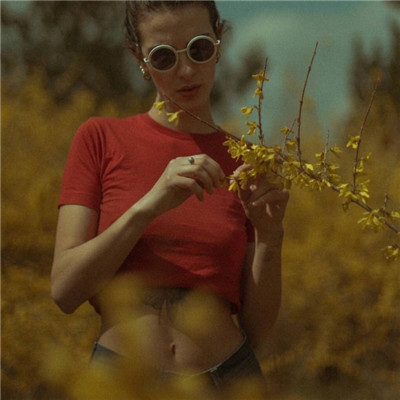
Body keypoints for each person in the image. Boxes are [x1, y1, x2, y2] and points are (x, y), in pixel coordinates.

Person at [51, 0, 289, 392]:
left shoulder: (246, 163)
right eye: (164, 57)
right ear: (139, 59)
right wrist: (149, 205)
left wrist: (270, 237)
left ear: (219, 41)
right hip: (121, 382)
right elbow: (64, 290)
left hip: (227, 380)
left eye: (199, 48)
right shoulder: (100, 139)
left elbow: (257, 329)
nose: (186, 70)